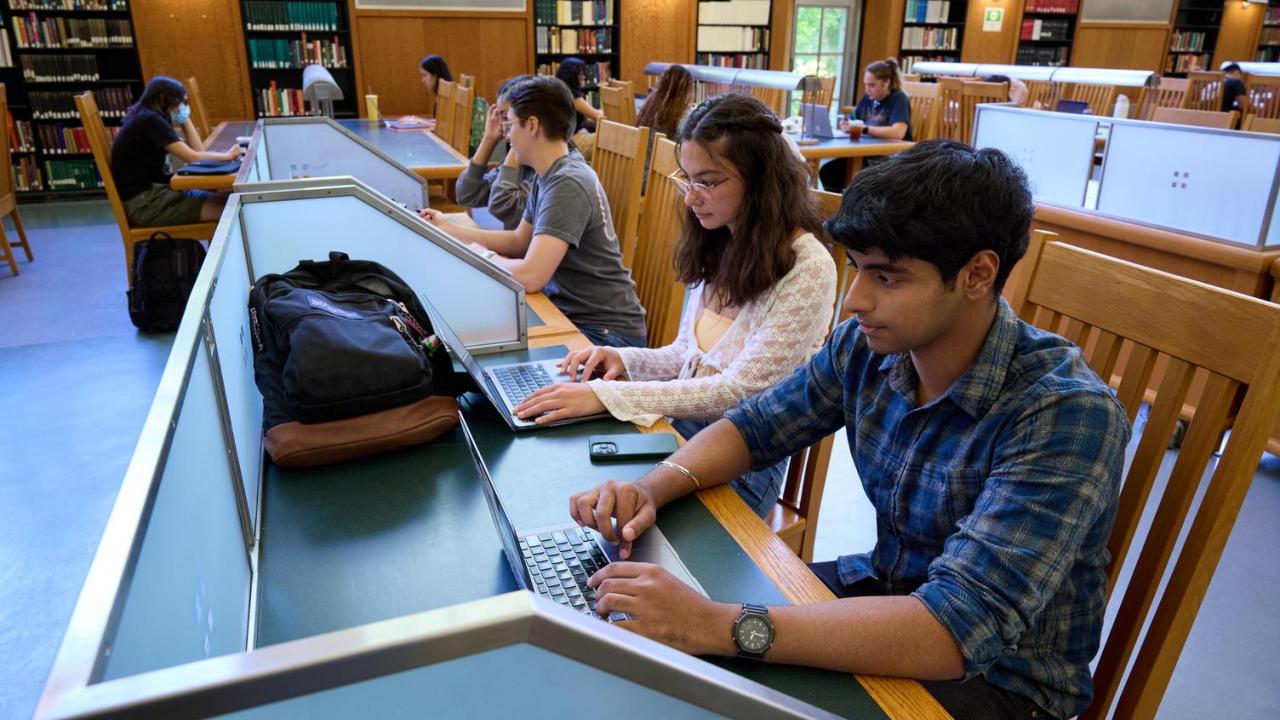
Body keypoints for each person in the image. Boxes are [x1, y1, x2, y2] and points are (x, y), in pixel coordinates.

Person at [568, 140, 1131, 720]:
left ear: (976, 275)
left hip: (1002, 682)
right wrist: (652, 488)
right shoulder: (869, 347)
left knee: (705, 651)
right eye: (857, 269)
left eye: (886, 277)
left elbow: (955, 629)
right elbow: (755, 428)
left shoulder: (1065, 413)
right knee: (656, 663)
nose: (856, 299)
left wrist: (714, 624)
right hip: (886, 594)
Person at [513, 94, 837, 516]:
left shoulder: (809, 267)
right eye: (687, 178)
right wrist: (622, 360)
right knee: (564, 477)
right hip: (682, 427)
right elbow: (686, 354)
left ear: (761, 180)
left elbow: (736, 392)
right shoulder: (721, 237)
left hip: (743, 456)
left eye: (708, 181)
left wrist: (609, 395)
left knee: (605, 507)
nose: (691, 197)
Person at [419, 76, 647, 348]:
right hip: (574, 316)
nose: (506, 134)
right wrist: (453, 233)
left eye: (510, 124)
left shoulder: (568, 182)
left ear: (532, 125)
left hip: (605, 334)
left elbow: (530, 276)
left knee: (483, 345)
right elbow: (519, 241)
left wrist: (482, 255)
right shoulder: (548, 174)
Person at [110, 76, 241, 226]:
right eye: (179, 102)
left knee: (229, 199)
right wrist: (228, 156)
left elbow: (198, 150)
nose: (182, 107)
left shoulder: (147, 116)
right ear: (163, 99)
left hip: (158, 194)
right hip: (148, 205)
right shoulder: (150, 120)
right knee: (230, 210)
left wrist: (183, 118)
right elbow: (193, 157)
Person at [454, 74, 565, 230]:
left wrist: (516, 142)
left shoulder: (551, 165)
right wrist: (489, 139)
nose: (503, 127)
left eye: (507, 119)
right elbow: (467, 194)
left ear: (532, 122)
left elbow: (503, 204)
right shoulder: (524, 158)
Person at [819, 58, 912, 192]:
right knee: (828, 171)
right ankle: (839, 207)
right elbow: (854, 119)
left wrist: (865, 129)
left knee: (859, 177)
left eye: (872, 85)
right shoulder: (869, 98)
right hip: (867, 153)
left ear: (887, 82)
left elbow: (898, 132)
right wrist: (847, 125)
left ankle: (849, 207)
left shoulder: (898, 98)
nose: (867, 89)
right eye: (866, 84)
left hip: (891, 156)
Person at [555, 57, 606, 158]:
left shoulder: (562, 92)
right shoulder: (573, 97)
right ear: (572, 76)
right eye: (581, 74)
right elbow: (598, 116)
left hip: (569, 140)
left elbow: (585, 121)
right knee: (610, 140)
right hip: (574, 142)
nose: (584, 77)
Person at [635, 64, 695, 138]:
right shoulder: (684, 118)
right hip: (666, 149)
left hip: (644, 148)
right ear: (686, 92)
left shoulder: (650, 105)